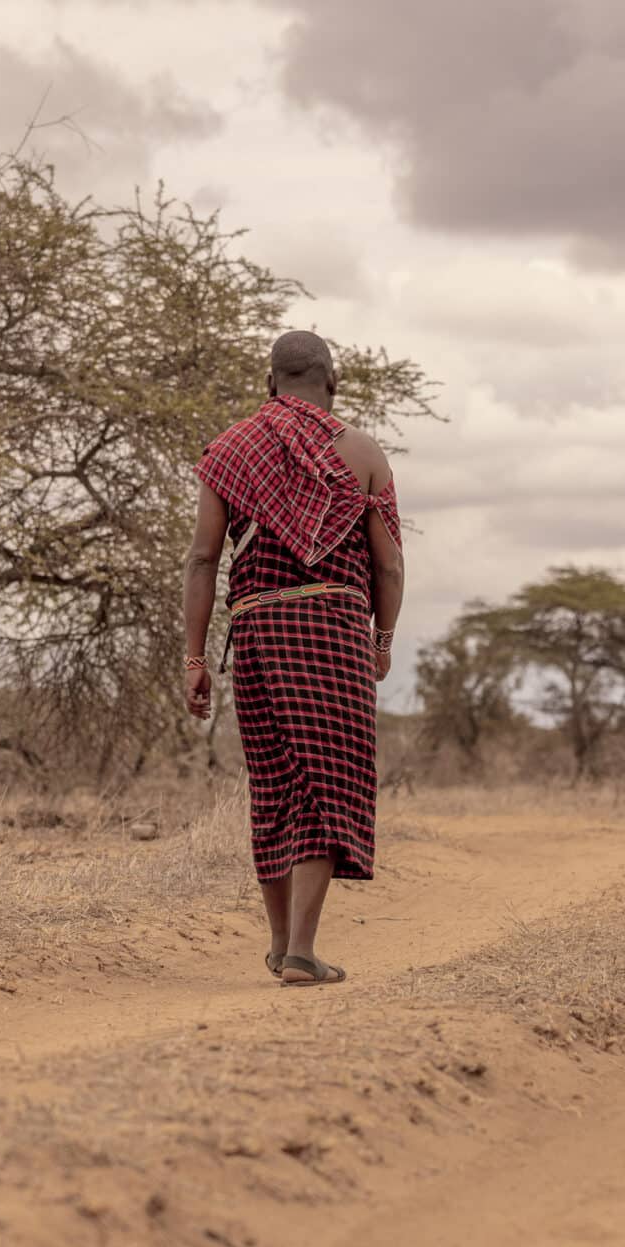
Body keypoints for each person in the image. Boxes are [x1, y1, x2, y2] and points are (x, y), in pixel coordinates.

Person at [183, 330, 406, 987]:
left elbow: (202, 558)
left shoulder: (229, 450)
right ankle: (303, 950)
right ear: (332, 383)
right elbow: (388, 562)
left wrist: (194, 657)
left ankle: (282, 944)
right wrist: (384, 640)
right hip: (332, 630)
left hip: (255, 629)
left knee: (277, 784)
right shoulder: (361, 452)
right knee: (326, 782)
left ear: (269, 381)